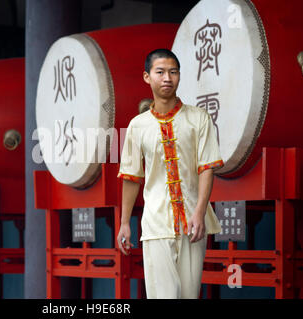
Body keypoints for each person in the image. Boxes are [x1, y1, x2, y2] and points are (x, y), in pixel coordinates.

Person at [116, 48, 223, 299]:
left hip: (194, 224)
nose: (167, 78)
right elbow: (132, 177)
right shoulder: (137, 125)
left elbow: (207, 167)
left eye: (173, 72)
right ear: (147, 77)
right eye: (160, 72)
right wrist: (124, 222)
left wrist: (198, 212)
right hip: (155, 224)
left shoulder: (199, 118)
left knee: (188, 295)